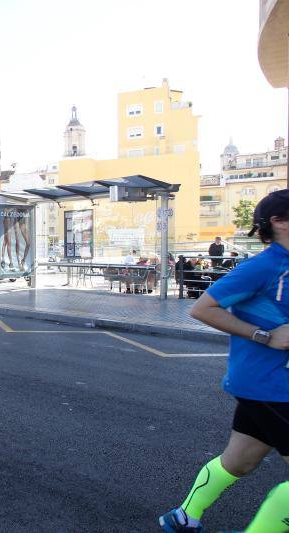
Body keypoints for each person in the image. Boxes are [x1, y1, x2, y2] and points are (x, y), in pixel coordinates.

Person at [158, 189, 289, 533]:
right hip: (272, 385)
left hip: (267, 386)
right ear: (279, 222)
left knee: (239, 461)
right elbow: (202, 308)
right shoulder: (265, 266)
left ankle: (183, 518)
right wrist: (266, 335)